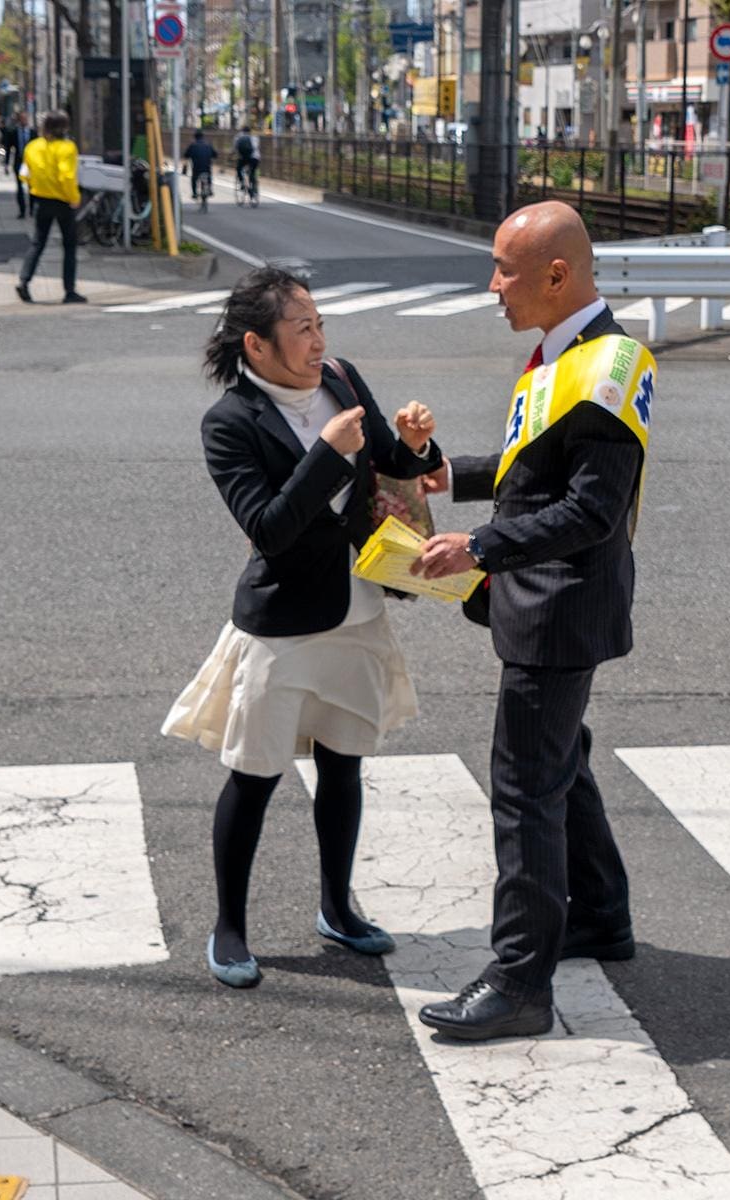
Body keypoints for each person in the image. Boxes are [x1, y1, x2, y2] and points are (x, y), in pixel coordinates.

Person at [412, 200, 656, 1041]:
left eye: (506, 271)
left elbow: (591, 509)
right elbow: (534, 470)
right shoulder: (568, 352)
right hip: (549, 598)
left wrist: (478, 545)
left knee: (524, 788)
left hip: (558, 606)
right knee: (561, 764)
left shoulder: (611, 366)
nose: (493, 286)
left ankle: (521, 983)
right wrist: (455, 475)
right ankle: (599, 915)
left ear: (558, 275)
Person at [162, 267, 442, 989]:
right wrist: (327, 454)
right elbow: (269, 529)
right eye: (303, 329)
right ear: (257, 344)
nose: (319, 342)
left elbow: (384, 462)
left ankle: (337, 909)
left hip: (356, 609)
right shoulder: (230, 423)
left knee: (345, 765)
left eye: (320, 324)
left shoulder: (341, 379)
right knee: (253, 778)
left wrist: (413, 446)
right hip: (282, 627)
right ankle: (229, 926)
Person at [16, 110, 86, 305]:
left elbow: (24, 174)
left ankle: (24, 281)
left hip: (41, 199)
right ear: (64, 128)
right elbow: (67, 176)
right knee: (69, 245)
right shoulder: (67, 147)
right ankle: (69, 290)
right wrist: (74, 198)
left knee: (38, 242)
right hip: (63, 201)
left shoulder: (33, 146)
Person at [6, 111, 36, 219]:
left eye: (25, 118)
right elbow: (8, 149)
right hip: (19, 162)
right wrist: (6, 164)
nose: (24, 120)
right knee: (19, 187)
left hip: (31, 163)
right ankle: (22, 211)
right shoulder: (13, 132)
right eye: (22, 118)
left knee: (31, 187)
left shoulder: (33, 132)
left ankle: (32, 209)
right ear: (19, 120)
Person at [182, 129, 218, 199]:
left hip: (196, 168)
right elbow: (215, 155)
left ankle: (194, 193)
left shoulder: (192, 145)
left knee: (194, 179)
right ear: (203, 136)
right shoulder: (208, 145)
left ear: (195, 137)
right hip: (207, 167)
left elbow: (186, 155)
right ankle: (209, 189)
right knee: (208, 175)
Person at [233, 125, 260, 196]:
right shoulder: (254, 137)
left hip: (244, 157)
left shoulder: (238, 137)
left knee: (238, 169)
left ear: (242, 131)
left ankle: (242, 183)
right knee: (252, 172)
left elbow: (235, 148)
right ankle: (253, 186)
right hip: (255, 158)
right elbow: (256, 147)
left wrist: (232, 156)